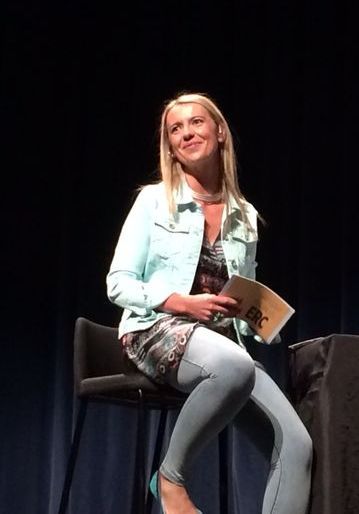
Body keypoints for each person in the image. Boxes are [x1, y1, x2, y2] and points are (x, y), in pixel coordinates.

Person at [107, 93, 312, 514]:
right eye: (175, 129)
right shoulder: (153, 201)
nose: (187, 134)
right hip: (156, 329)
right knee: (232, 364)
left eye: (196, 123)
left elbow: (243, 291)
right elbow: (118, 283)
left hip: (222, 347)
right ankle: (169, 478)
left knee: (297, 445)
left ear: (219, 132)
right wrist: (180, 302)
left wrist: (259, 316)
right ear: (169, 146)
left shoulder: (245, 215)